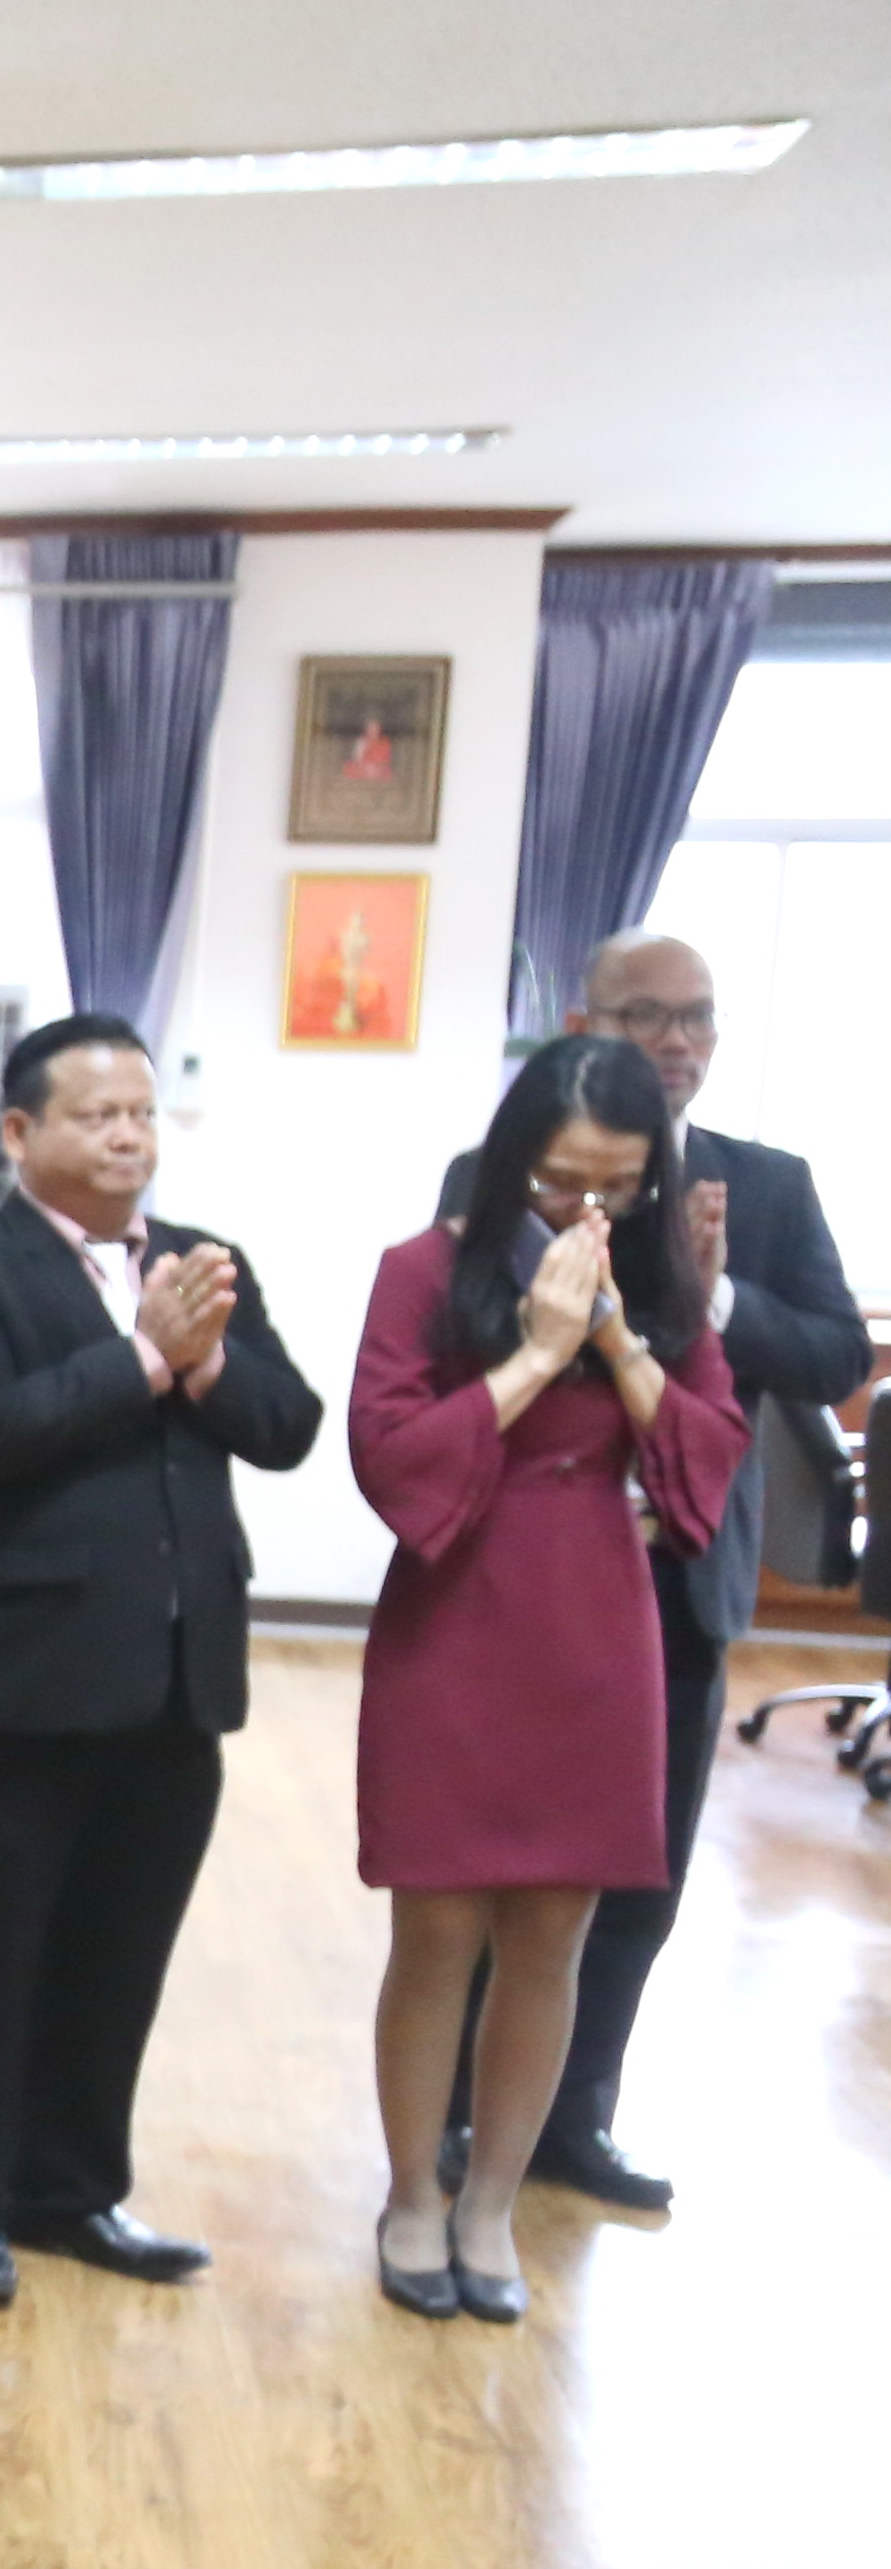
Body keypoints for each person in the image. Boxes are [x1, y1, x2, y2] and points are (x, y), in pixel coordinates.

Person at [422, 931, 869, 2212]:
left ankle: (571, 2119)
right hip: (523, 1577)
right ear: (585, 1024)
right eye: (647, 1016)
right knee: (492, 1863)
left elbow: (836, 1355)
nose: (676, 1041)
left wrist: (714, 1300)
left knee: (638, 1869)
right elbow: (455, 1343)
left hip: (677, 1574)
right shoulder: (497, 1172)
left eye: (698, 1018)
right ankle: (456, 2117)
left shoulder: (764, 1185)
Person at [0, 1013, 325, 2313]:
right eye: (96, 1115)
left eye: (140, 1112)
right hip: (12, 1676)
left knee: (116, 1948)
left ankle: (70, 2190)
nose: (128, 1136)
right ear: (19, 1131)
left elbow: (288, 1425)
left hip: (175, 1672)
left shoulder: (203, 1260)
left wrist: (203, 1363)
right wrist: (143, 1357)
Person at [357, 1034, 746, 2322]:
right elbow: (389, 1454)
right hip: (458, 1605)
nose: (585, 1210)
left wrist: (621, 1340)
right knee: (436, 1929)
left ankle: (490, 2204)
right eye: (558, 1180)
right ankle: (413, 2195)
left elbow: (707, 1453)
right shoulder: (422, 1270)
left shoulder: (664, 1282)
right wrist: (532, 1354)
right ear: (509, 1155)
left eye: (617, 1187)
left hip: (595, 1617)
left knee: (552, 1934)